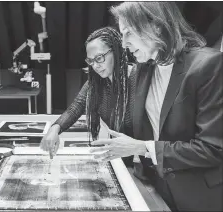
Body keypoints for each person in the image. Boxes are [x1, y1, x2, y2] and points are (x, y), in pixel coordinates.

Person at [90, 2, 223, 211]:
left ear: (156, 26)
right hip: (158, 191)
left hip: (198, 198)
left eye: (128, 33)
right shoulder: (144, 71)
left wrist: (142, 147)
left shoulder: (208, 65)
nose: (123, 43)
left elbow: (212, 149)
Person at [40, 27, 129, 157]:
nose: (95, 65)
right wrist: (55, 128)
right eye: (91, 61)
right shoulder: (96, 83)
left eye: (99, 57)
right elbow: (75, 107)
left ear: (116, 51)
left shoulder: (136, 78)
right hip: (119, 156)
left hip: (142, 160)